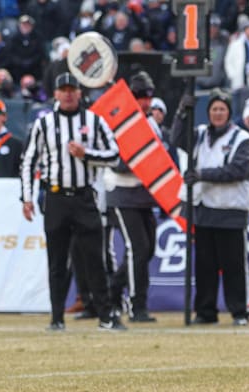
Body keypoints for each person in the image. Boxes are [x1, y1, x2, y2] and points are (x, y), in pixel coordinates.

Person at [20, 72, 124, 331]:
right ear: (55, 94)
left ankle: (105, 316)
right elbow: (29, 160)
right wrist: (27, 197)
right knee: (57, 261)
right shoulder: (44, 124)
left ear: (79, 92)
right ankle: (56, 318)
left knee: (95, 259)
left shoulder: (94, 121)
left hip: (84, 196)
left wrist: (86, 154)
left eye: (72, 89)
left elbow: (114, 155)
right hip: (56, 197)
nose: (67, 94)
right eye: (63, 89)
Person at [171, 89, 249, 326]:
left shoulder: (242, 139)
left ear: (229, 112)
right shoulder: (198, 134)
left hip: (231, 209)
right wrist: (181, 114)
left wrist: (201, 175)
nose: (218, 113)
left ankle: (240, 312)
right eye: (214, 109)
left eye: (222, 109)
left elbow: (239, 171)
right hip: (204, 208)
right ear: (208, 112)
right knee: (204, 266)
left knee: (234, 266)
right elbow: (176, 140)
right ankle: (206, 312)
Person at [103, 71, 161, 323]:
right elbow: (115, 161)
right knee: (137, 249)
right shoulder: (117, 122)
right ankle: (138, 307)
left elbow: (161, 156)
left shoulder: (152, 123)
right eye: (140, 96)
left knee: (147, 250)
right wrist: (139, 161)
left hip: (146, 194)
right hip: (122, 194)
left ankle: (113, 289)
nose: (146, 102)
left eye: (148, 96)